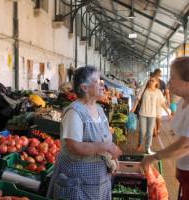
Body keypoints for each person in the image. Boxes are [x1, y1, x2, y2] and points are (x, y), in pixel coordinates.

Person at [47, 66, 122, 200]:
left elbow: (104, 137)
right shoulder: (74, 112)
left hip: (99, 180)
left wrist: (111, 158)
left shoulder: (99, 110)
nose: (102, 85)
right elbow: (74, 147)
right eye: (97, 81)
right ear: (84, 87)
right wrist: (107, 147)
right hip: (78, 183)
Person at [141, 57, 189, 200]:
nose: (169, 81)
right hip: (184, 168)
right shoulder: (182, 102)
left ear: (187, 83)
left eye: (173, 77)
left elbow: (185, 146)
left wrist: (154, 157)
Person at [131, 74, 170, 154]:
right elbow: (138, 99)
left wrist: (168, 112)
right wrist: (133, 109)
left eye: (152, 81)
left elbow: (162, 103)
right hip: (142, 113)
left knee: (149, 132)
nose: (150, 82)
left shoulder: (158, 92)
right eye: (150, 80)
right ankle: (139, 144)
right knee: (142, 131)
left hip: (152, 114)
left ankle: (148, 148)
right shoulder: (144, 89)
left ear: (156, 83)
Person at [153, 68, 170, 136]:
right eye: (157, 75)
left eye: (159, 75)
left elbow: (166, 91)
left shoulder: (162, 82)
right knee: (153, 116)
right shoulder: (150, 81)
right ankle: (155, 129)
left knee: (158, 116)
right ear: (155, 74)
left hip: (159, 101)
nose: (158, 76)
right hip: (152, 101)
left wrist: (167, 100)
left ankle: (158, 129)